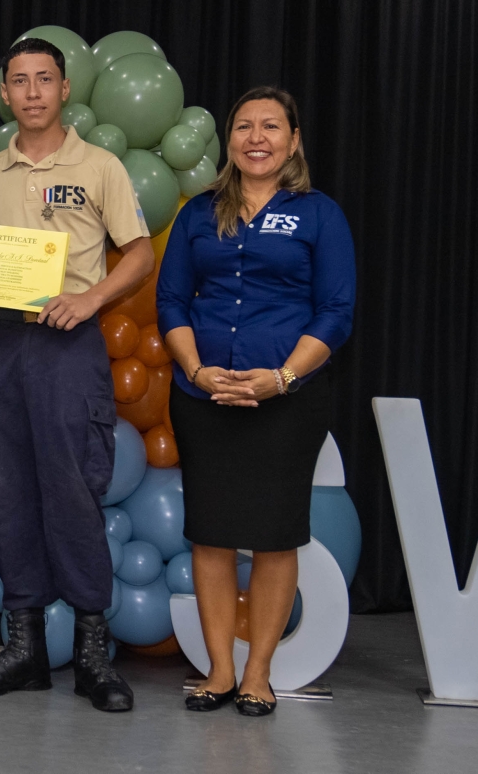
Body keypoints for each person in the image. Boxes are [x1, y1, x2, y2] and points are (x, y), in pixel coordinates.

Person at [0, 38, 153, 713]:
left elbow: (139, 253)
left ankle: (93, 654)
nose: (31, 92)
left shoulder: (99, 166)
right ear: (5, 93)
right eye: (19, 81)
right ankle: (25, 646)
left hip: (69, 345)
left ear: (64, 90)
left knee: (73, 492)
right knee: (8, 493)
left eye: (44, 80)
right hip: (1, 344)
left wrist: (91, 299)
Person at [156, 87, 355, 716]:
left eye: (271, 127)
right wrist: (196, 370)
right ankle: (218, 672)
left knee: (275, 537)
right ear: (229, 140)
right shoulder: (198, 213)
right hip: (203, 397)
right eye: (244, 127)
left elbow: (336, 311)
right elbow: (171, 302)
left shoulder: (319, 214)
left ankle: (258, 675)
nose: (256, 138)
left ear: (293, 141)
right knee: (210, 535)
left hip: (287, 403)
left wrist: (283, 378)